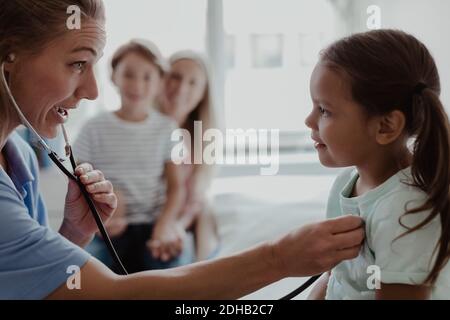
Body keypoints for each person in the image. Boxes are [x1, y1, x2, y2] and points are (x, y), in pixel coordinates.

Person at [0, 0, 364, 299]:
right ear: (8, 56)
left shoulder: (20, 160)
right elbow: (110, 295)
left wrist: (74, 233)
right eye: (78, 63)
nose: (94, 90)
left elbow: (32, 285)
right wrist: (280, 258)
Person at [305, 29, 450, 300]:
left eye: (324, 110)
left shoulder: (406, 210)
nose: (309, 120)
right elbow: (338, 275)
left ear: (386, 126)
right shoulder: (347, 183)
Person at [73, 39, 195, 273]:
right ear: (113, 77)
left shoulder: (166, 129)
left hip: (152, 227)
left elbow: (176, 188)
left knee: (174, 267)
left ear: (160, 83)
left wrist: (164, 226)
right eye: (128, 75)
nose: (137, 85)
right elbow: (77, 181)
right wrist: (98, 217)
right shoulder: (93, 128)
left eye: (147, 77)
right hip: (107, 227)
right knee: (81, 271)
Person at [159, 50, 220, 261]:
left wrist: (176, 227)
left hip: (176, 229)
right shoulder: (138, 127)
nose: (181, 88)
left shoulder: (201, 138)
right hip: (138, 223)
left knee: (206, 209)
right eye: (175, 77)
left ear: (203, 93)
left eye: (193, 82)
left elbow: (195, 199)